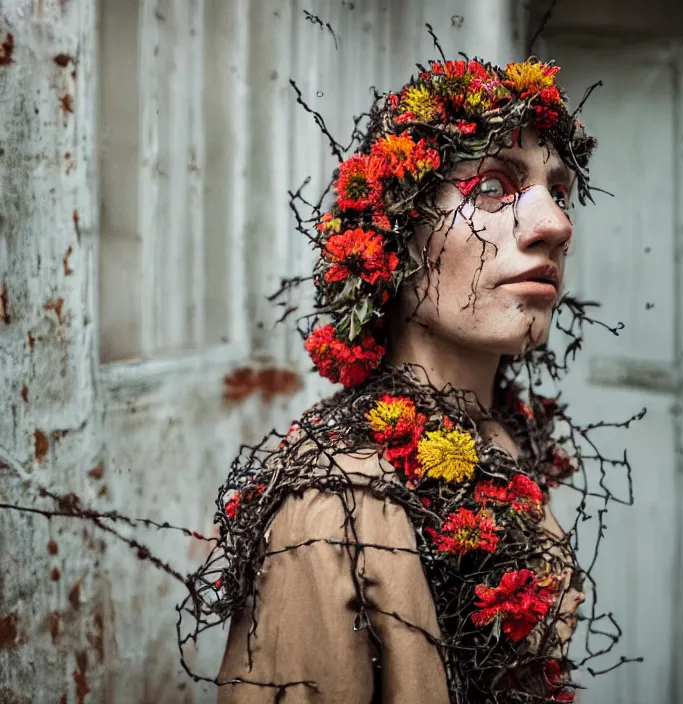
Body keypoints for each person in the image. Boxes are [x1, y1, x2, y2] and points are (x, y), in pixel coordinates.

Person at [202, 55, 598, 703]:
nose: (556, 224)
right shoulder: (335, 509)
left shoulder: (502, 440)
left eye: (559, 190)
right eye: (493, 187)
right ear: (394, 236)